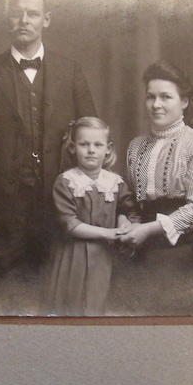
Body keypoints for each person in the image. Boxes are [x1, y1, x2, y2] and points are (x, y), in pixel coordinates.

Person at [0, 0, 97, 277]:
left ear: (46, 20)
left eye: (32, 14)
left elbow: (93, 136)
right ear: (6, 20)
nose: (24, 20)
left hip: (61, 205)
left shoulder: (70, 71)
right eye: (16, 14)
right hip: (4, 211)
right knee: (6, 292)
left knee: (57, 290)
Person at [119, 60, 193, 251]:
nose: (156, 104)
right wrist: (125, 220)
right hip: (139, 240)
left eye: (165, 97)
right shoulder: (136, 146)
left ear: (184, 101)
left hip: (182, 245)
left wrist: (148, 230)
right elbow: (128, 199)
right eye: (151, 97)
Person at [45, 117, 140, 316]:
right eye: (84, 144)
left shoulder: (115, 182)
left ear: (108, 148)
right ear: (73, 148)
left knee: (101, 303)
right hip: (74, 256)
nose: (91, 150)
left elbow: (129, 209)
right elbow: (69, 224)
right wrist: (108, 233)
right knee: (73, 305)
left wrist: (124, 221)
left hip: (105, 256)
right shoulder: (66, 182)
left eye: (98, 145)